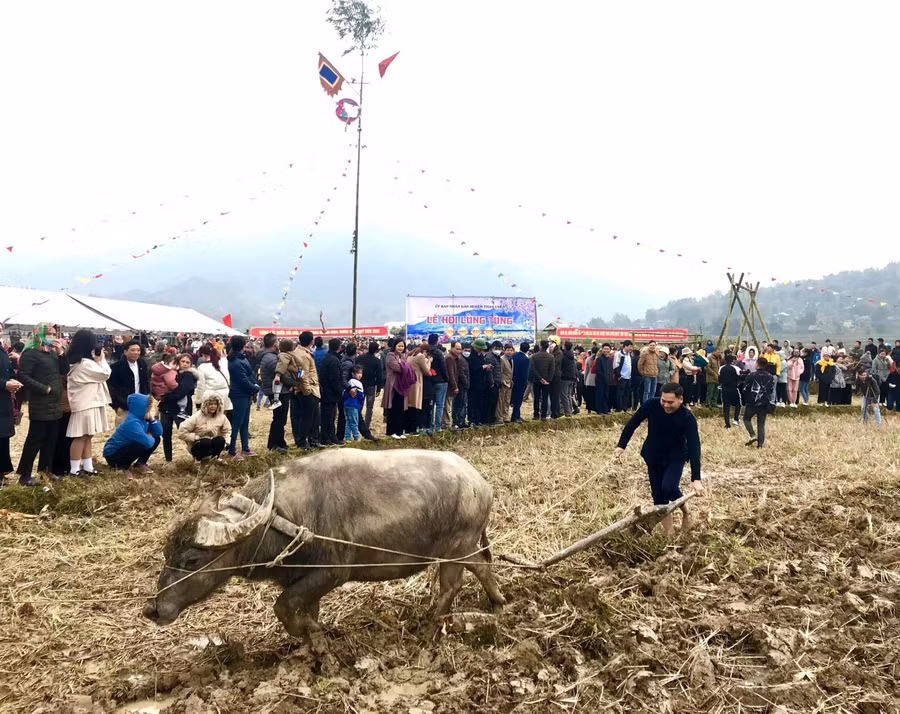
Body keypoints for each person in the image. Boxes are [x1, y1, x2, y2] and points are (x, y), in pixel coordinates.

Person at [614, 383, 705, 536]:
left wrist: (696, 479)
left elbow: (694, 447)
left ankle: (686, 511)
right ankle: (669, 533)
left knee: (669, 488)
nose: (666, 405)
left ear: (680, 399)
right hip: (653, 455)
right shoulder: (651, 405)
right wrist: (621, 445)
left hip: (675, 457)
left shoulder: (687, 418)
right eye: (664, 401)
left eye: (670, 402)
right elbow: (633, 423)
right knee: (658, 496)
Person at [15, 323, 65, 486]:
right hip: (40, 403)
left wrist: (61, 353)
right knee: (35, 440)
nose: (52, 337)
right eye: (49, 334)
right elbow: (23, 376)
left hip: (55, 403)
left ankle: (45, 470)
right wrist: (44, 389)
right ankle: (25, 474)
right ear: (39, 334)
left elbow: (63, 370)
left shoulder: (51, 352)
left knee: (51, 439)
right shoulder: (31, 353)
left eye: (53, 334)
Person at [64, 329, 111, 476]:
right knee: (80, 436)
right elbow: (105, 374)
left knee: (88, 435)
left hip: (87, 402)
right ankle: (75, 469)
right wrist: (101, 360)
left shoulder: (78, 362)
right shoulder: (84, 364)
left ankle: (88, 467)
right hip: (85, 403)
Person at [103, 393, 162, 477]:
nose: (149, 409)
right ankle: (123, 466)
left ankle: (141, 463)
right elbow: (148, 443)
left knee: (157, 439)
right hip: (113, 455)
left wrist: (152, 420)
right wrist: (149, 436)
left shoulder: (143, 418)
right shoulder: (131, 422)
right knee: (140, 444)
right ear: (140, 407)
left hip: (127, 447)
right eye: (147, 407)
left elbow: (158, 433)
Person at [157, 353, 199, 462]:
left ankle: (197, 456)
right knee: (166, 435)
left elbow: (181, 392)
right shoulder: (171, 373)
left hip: (181, 410)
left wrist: (166, 396)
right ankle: (168, 459)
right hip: (166, 408)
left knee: (186, 434)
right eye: (183, 361)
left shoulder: (189, 375)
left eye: (187, 362)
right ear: (178, 362)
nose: (184, 364)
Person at [225, 336, 259, 459]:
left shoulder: (240, 359)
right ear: (243, 346)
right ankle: (232, 451)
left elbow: (249, 375)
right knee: (237, 423)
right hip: (239, 395)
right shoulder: (236, 362)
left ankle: (245, 448)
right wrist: (255, 388)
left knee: (244, 422)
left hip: (245, 394)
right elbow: (243, 380)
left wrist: (254, 385)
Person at [177, 393, 231, 463]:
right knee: (206, 442)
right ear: (205, 405)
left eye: (215, 404)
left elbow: (227, 430)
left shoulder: (221, 416)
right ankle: (197, 460)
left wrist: (226, 441)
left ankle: (215, 457)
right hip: (198, 444)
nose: (213, 406)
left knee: (220, 440)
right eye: (210, 404)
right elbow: (181, 432)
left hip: (213, 442)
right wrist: (194, 437)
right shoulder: (196, 416)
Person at [108, 339, 150, 426]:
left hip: (140, 403)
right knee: (124, 431)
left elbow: (146, 383)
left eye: (138, 350)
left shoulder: (142, 364)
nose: (136, 352)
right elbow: (111, 387)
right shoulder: (116, 367)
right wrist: (116, 404)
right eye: (133, 350)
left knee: (139, 430)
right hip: (124, 405)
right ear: (126, 352)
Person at [0, 322, 22, 485]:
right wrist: (4, 384)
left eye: (1, 329)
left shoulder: (2, 348)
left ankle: (1, 471)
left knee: (2, 436)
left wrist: (10, 380)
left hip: (3, 399)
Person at [743, 358, 776, 448]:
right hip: (765, 403)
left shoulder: (751, 375)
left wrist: (745, 399)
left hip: (752, 402)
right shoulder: (770, 376)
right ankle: (760, 445)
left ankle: (752, 435)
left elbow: (745, 389)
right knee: (761, 424)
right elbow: (772, 390)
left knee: (746, 419)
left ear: (757, 364)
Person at [318, 338, 344, 445]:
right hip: (330, 393)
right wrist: (339, 391)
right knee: (329, 416)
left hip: (325, 391)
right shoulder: (334, 360)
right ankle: (329, 437)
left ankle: (327, 436)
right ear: (339, 347)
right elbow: (335, 379)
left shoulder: (327, 357)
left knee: (327, 416)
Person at [356, 341, 384, 428]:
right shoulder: (377, 361)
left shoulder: (359, 358)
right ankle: (367, 424)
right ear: (376, 350)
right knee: (369, 406)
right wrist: (379, 388)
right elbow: (379, 375)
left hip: (360, 384)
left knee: (359, 404)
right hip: (371, 385)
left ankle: (358, 422)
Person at [407, 343, 433, 433]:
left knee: (409, 406)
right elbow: (427, 371)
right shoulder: (421, 356)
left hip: (409, 382)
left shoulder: (410, 354)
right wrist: (429, 361)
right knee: (415, 406)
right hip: (417, 382)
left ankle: (409, 428)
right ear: (426, 351)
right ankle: (413, 428)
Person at [427, 334, 449, 433]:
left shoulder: (426, 352)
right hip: (441, 381)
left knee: (431, 405)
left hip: (430, 381)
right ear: (437, 341)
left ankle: (430, 426)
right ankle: (438, 426)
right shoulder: (438, 353)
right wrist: (447, 379)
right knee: (440, 405)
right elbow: (443, 367)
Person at [529, 340, 555, 420]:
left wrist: (540, 378)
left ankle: (536, 414)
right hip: (547, 381)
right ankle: (544, 415)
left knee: (536, 398)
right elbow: (552, 370)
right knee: (545, 398)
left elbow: (533, 369)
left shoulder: (534, 356)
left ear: (540, 346)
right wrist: (548, 380)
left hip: (537, 380)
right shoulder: (551, 357)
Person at [255, 333, 279, 411]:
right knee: (279, 417)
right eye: (277, 341)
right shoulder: (271, 357)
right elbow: (280, 373)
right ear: (275, 343)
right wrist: (291, 383)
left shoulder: (266, 354)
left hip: (269, 387)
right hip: (275, 389)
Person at [719, 353, 742, 429]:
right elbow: (740, 376)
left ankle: (727, 424)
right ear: (732, 360)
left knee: (726, 406)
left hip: (724, 389)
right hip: (733, 388)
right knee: (738, 404)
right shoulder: (736, 368)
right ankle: (736, 419)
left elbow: (719, 377)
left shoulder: (721, 368)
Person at [451, 342, 471, 429]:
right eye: (465, 350)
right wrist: (466, 383)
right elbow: (462, 373)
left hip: (464, 385)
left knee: (463, 404)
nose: (467, 352)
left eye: (469, 350)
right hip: (461, 385)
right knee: (459, 404)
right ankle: (457, 421)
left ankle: (461, 420)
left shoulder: (465, 359)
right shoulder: (460, 359)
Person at [343, 366, 365, 441]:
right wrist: (361, 403)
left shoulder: (349, 382)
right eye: (358, 373)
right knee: (354, 422)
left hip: (347, 404)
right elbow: (361, 395)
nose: (360, 375)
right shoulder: (357, 383)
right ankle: (356, 437)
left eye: (361, 373)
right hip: (354, 404)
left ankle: (347, 437)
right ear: (353, 373)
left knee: (348, 422)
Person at [558, 341, 577, 417]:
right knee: (569, 395)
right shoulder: (572, 355)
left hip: (565, 377)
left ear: (565, 347)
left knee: (564, 395)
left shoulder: (563, 355)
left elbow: (561, 366)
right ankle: (570, 410)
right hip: (572, 377)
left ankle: (568, 412)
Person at [637, 341, 659, 405]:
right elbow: (640, 364)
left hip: (655, 375)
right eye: (651, 345)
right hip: (647, 375)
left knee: (653, 391)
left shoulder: (656, 354)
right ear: (648, 346)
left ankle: (651, 404)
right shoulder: (645, 354)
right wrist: (642, 373)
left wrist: (657, 371)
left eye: (653, 345)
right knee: (647, 391)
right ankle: (645, 405)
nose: (652, 347)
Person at [594, 344, 614, 415]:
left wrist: (609, 377)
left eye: (607, 349)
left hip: (607, 381)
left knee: (606, 395)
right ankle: (599, 410)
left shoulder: (609, 359)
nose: (606, 350)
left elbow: (611, 370)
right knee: (600, 395)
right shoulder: (599, 359)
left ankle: (605, 410)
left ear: (610, 350)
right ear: (602, 350)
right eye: (605, 349)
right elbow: (598, 370)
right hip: (600, 380)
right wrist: (605, 377)